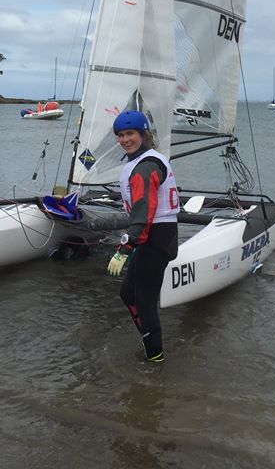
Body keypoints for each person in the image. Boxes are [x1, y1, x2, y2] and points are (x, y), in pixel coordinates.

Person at [107, 109, 179, 363]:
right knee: (128, 294)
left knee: (144, 301)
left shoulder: (146, 166)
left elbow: (143, 211)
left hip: (156, 236)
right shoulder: (140, 162)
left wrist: (125, 248)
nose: (125, 139)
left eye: (131, 134)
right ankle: (149, 341)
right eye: (121, 135)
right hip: (152, 235)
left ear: (143, 134)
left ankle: (155, 360)